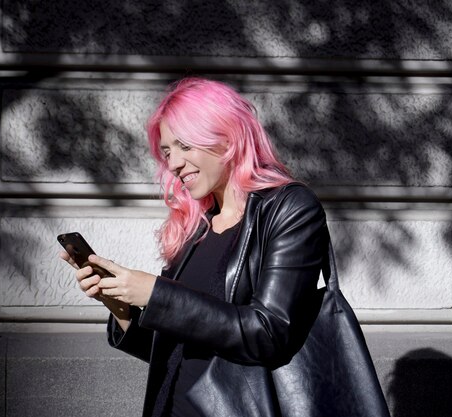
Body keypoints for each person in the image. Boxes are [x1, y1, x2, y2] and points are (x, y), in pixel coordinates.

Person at [60, 77, 330, 417]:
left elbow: (269, 332)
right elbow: (172, 349)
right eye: (168, 151)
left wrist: (155, 294)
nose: (173, 163)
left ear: (227, 137)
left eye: (184, 146)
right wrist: (119, 303)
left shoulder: (289, 209)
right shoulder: (194, 227)